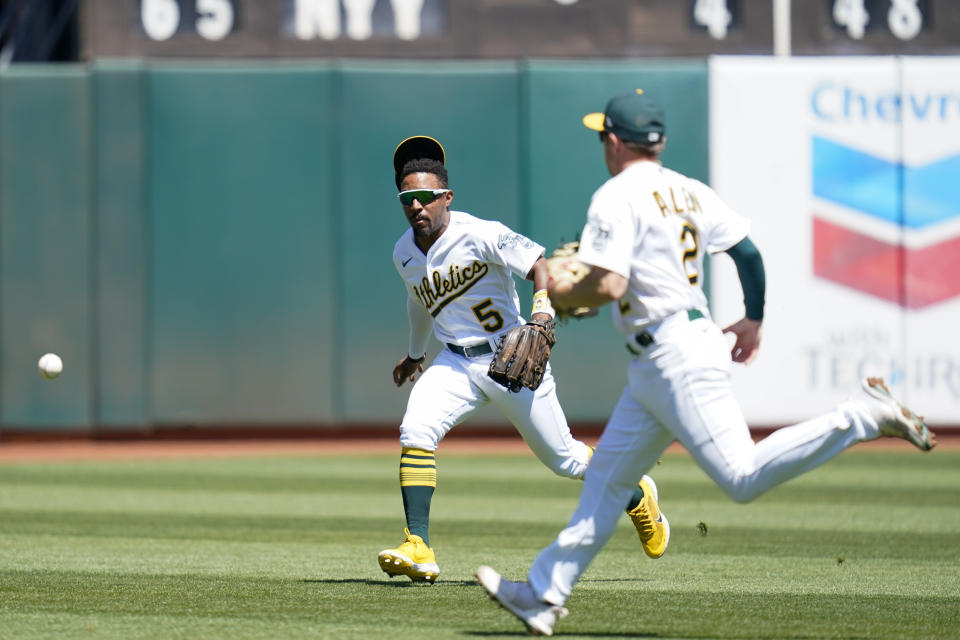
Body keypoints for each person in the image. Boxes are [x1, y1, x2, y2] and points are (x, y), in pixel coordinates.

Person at [475, 90, 937, 634]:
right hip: (665, 359)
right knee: (605, 481)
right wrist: (754, 318)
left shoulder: (615, 194)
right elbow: (747, 254)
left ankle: (859, 414)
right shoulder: (688, 191)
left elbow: (612, 283)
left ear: (616, 141)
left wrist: (567, 299)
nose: (604, 144)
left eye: (604, 135)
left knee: (741, 476)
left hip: (674, 355)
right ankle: (543, 594)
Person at [379, 135, 670, 584]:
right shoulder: (403, 252)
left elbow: (538, 263)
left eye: (425, 197)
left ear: (446, 197)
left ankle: (637, 495)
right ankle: (418, 545)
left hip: (511, 357)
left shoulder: (481, 232)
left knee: (567, 461)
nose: (417, 206)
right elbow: (418, 303)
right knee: (416, 428)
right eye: (407, 198)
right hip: (454, 362)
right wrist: (416, 355)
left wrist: (541, 309)